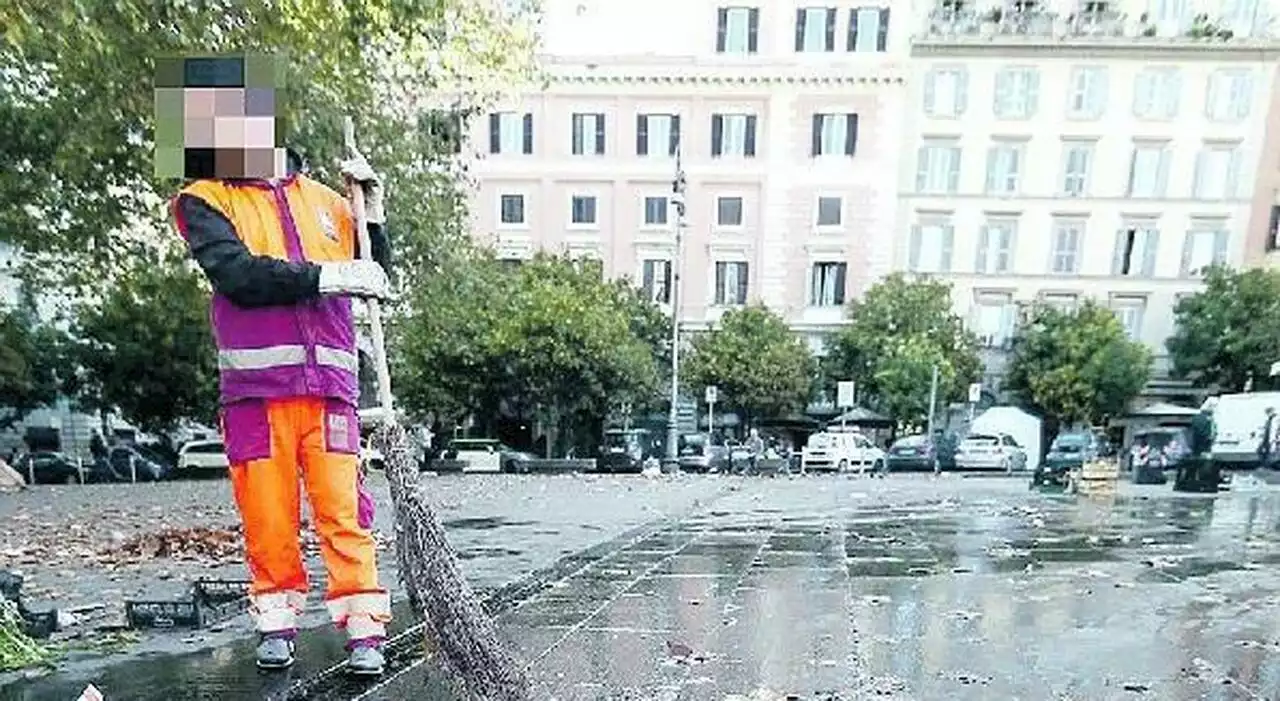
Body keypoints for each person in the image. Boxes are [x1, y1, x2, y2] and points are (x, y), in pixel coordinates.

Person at [164, 54, 392, 675]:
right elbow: (236, 277)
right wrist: (325, 275)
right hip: (257, 392)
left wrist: (371, 214)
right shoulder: (203, 200)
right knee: (267, 514)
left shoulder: (329, 202)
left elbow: (376, 272)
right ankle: (276, 618)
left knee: (343, 508)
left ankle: (364, 623)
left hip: (333, 388)